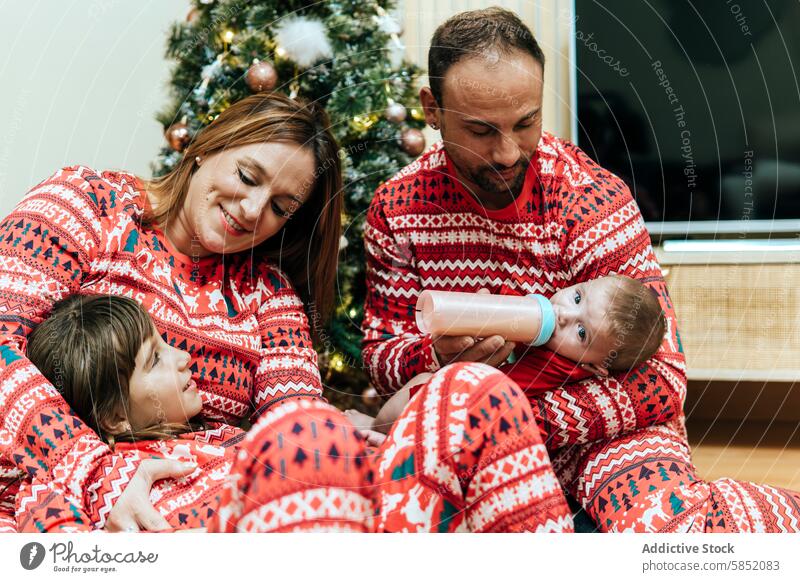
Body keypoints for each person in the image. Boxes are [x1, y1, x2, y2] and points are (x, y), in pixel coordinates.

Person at [0, 92, 572, 533]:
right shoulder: (87, 206)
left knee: (476, 394)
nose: (252, 211)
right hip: (129, 494)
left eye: (280, 207)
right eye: (248, 177)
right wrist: (100, 473)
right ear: (207, 144)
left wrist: (386, 426)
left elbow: (294, 414)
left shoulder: (269, 294)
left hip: (236, 481)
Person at [361, 7, 800, 532]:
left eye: (526, 122)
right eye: (480, 131)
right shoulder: (398, 208)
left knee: (665, 535)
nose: (506, 153)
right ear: (432, 110)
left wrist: (509, 420)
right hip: (463, 442)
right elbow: (381, 355)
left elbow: (661, 380)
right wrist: (432, 353)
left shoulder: (590, 200)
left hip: (608, 436)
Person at [17, 294, 242, 531]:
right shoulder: (68, 493)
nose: (183, 357)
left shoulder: (215, 436)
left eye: (164, 343)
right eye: (154, 360)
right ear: (115, 418)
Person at [349, 275, 666, 439]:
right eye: (577, 296)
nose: (565, 314)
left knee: (423, 382)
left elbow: (501, 389)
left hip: (462, 421)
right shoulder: (556, 341)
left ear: (595, 366)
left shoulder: (556, 369)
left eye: (582, 333)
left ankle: (377, 431)